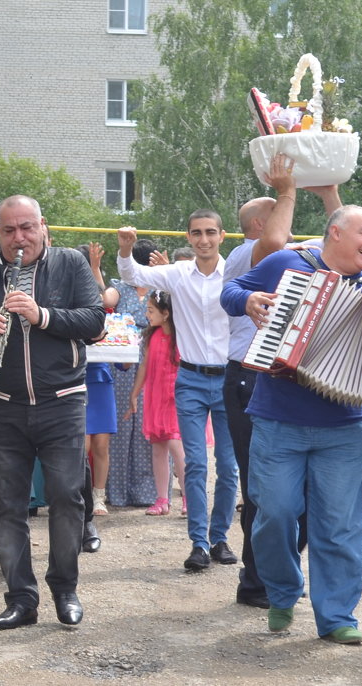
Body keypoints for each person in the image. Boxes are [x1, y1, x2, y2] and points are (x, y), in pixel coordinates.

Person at [220, 204, 362, 644]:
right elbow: (230, 292)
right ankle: (283, 591)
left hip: (343, 428)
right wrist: (248, 299)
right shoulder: (289, 262)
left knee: (339, 525)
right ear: (335, 233)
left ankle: (337, 615)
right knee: (273, 514)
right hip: (276, 420)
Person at [0, 195, 105, 630]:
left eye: (27, 228)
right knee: (6, 506)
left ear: (42, 227)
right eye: (9, 230)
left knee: (66, 498)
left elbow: (94, 322)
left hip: (63, 401)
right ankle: (21, 598)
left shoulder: (71, 264)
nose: (19, 239)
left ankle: (65, 589)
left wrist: (43, 315)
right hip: (2, 405)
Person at [223, 158, 341, 608]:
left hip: (283, 377)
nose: (289, 223)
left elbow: (340, 241)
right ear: (262, 220)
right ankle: (257, 583)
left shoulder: (296, 255)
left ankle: (276, 573)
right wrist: (287, 189)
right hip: (250, 381)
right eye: (282, 210)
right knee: (266, 491)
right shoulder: (248, 252)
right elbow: (274, 241)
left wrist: (330, 194)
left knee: (302, 492)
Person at [117, 211, 237, 572]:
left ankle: (220, 537)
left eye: (210, 233)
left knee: (229, 467)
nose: (204, 239)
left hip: (228, 379)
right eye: (197, 233)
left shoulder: (235, 273)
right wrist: (126, 249)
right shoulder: (177, 273)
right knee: (195, 463)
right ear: (188, 236)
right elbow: (133, 275)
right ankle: (199, 542)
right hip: (191, 380)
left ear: (221, 235)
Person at [104, 239, 158, 508]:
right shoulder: (120, 287)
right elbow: (103, 300)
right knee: (122, 423)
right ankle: (117, 492)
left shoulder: (162, 289)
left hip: (154, 357)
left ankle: (148, 493)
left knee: (148, 424)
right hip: (123, 360)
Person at [126, 291, 186, 517]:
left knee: (175, 446)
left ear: (166, 313)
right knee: (158, 448)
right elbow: (144, 367)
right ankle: (162, 499)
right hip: (155, 396)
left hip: (175, 396)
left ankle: (188, 497)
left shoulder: (182, 337)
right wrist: (135, 393)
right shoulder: (151, 336)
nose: (147, 315)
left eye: (151, 311)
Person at [79, 243, 117, 516]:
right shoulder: (66, 300)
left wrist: (95, 268)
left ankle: (99, 497)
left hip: (100, 376)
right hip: (75, 376)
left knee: (101, 442)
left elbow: (106, 300)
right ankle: (79, 497)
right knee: (83, 444)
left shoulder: (101, 304)